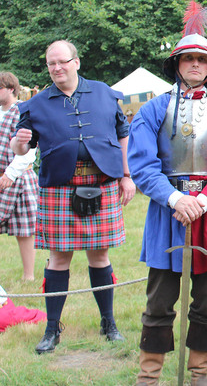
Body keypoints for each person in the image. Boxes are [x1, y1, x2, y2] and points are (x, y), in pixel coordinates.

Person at [128, 1, 207, 386]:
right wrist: (175, 199)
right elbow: (142, 164)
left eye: (201, 60)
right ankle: (149, 376)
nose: (195, 65)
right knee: (159, 302)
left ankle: (200, 374)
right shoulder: (152, 111)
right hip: (168, 213)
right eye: (188, 59)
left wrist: (202, 200)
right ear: (177, 64)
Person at [11, 40, 135, 353]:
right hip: (59, 187)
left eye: (62, 62)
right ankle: (52, 329)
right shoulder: (36, 104)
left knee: (100, 256)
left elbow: (123, 134)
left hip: (102, 182)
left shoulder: (104, 93)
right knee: (58, 258)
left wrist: (126, 175)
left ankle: (109, 323)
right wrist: (20, 144)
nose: (57, 68)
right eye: (51, 64)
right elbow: (22, 148)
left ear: (76, 62)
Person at [0, 72, 38, 281]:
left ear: (11, 89)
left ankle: (28, 276)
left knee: (24, 229)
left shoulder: (23, 111)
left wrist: (11, 173)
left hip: (20, 177)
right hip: (1, 177)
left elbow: (30, 148)